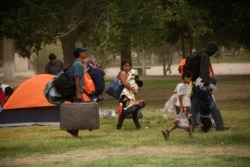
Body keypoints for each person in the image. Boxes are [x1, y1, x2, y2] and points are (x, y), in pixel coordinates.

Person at [190, 41, 230, 132]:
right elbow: (205, 71)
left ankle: (190, 126)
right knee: (212, 106)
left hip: (195, 84)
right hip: (203, 86)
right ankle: (220, 126)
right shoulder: (205, 56)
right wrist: (207, 85)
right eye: (214, 51)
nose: (214, 53)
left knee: (194, 107)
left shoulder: (199, 53)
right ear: (212, 49)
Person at [162, 71, 193, 140]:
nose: (190, 81)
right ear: (185, 78)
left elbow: (175, 93)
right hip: (184, 106)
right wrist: (182, 106)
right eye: (189, 79)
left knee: (182, 120)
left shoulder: (178, 85)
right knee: (189, 120)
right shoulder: (183, 86)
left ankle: (168, 131)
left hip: (178, 105)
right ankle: (168, 131)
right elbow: (180, 96)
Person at [116, 60, 145, 130]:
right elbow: (124, 83)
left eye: (129, 66)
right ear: (122, 67)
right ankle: (118, 127)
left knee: (134, 110)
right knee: (125, 111)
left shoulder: (130, 73)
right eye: (126, 66)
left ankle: (138, 126)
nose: (127, 67)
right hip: (125, 95)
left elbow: (134, 80)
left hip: (130, 94)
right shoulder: (123, 73)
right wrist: (132, 89)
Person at [66, 47, 87, 138]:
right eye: (83, 52)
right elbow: (76, 80)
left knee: (77, 112)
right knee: (78, 112)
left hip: (76, 91)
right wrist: (78, 93)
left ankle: (75, 133)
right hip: (76, 92)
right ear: (79, 53)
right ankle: (73, 131)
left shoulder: (76, 63)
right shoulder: (77, 64)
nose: (85, 53)